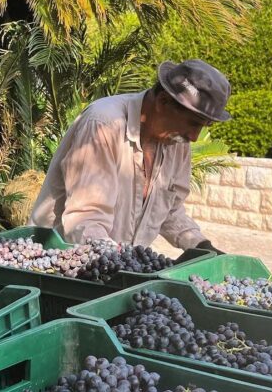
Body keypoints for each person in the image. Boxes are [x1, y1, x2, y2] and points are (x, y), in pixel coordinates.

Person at [30, 59, 230, 255]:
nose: (194, 137)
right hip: (57, 263)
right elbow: (85, 221)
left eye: (204, 127)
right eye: (193, 123)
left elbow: (169, 211)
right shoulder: (104, 124)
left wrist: (200, 245)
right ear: (163, 102)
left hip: (114, 266)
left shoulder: (177, 141)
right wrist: (122, 262)